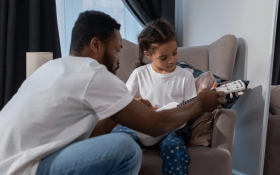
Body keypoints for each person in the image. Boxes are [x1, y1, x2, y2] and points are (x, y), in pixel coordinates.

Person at [0, 11, 226, 175]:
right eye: (117, 50)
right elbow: (154, 124)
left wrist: (120, 113)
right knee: (125, 149)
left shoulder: (53, 68)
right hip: (25, 167)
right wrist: (199, 104)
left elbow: (87, 136)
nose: (119, 59)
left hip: (11, 161)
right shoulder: (93, 73)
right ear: (96, 45)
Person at [112, 19, 196, 175]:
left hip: (173, 129)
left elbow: (192, 109)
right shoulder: (139, 74)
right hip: (143, 127)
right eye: (163, 58)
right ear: (148, 55)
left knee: (173, 145)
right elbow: (124, 101)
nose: (171, 60)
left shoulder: (186, 77)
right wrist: (142, 105)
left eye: (175, 52)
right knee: (116, 138)